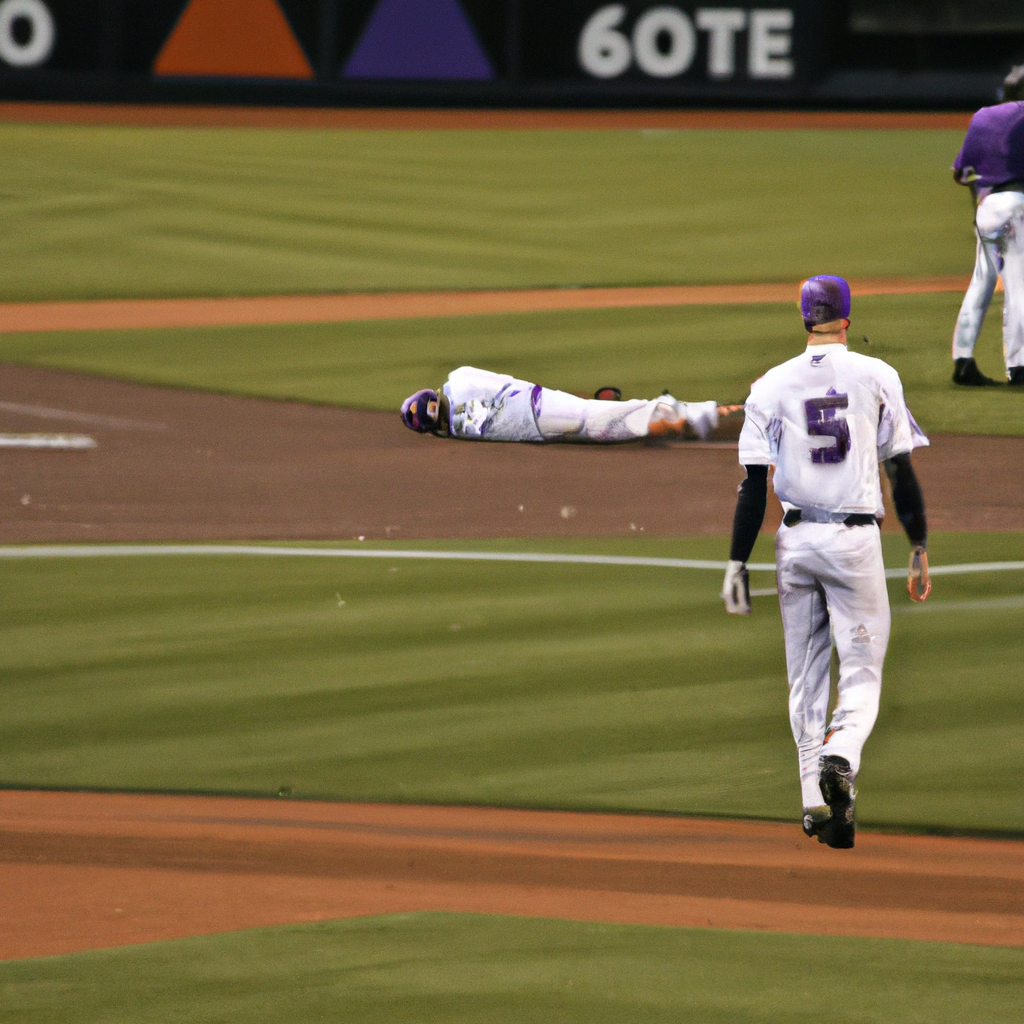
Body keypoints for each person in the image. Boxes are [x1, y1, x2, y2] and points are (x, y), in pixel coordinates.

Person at [721, 275, 931, 850]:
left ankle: (819, 806)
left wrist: (736, 564)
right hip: (854, 543)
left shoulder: (770, 385)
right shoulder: (877, 375)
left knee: (804, 676)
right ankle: (840, 757)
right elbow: (900, 472)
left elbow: (751, 487)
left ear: (802, 315)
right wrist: (918, 544)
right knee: (861, 669)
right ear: (846, 314)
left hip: (795, 543)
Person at [401, 365, 739, 443]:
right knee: (604, 416)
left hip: (540, 430)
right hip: (539, 406)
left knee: (602, 424)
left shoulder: (457, 432)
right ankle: (697, 415)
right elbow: (510, 385)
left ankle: (685, 417)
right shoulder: (457, 379)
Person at [951, 65, 1024, 386]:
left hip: (987, 208)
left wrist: (977, 211)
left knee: (980, 285)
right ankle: (1019, 367)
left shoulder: (982, 116)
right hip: (1017, 207)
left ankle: (963, 361)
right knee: (1020, 288)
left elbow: (961, 173)